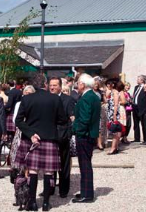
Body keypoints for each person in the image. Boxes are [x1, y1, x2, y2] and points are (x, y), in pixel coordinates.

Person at [14, 75, 66, 211]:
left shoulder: (26, 99)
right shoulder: (55, 99)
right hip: (50, 138)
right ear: (45, 84)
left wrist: (31, 134)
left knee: (32, 171)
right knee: (49, 172)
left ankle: (32, 202)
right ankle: (45, 203)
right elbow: (62, 120)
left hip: (32, 140)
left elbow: (18, 121)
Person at [72, 74, 100, 204]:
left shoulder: (86, 98)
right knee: (85, 165)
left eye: (78, 83)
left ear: (82, 84)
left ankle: (87, 194)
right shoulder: (93, 96)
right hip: (90, 135)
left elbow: (84, 119)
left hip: (85, 136)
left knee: (85, 166)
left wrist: (77, 131)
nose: (77, 85)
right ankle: (85, 191)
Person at [49, 76, 76, 198]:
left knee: (64, 163)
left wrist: (69, 134)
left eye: (54, 85)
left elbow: (72, 118)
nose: (52, 87)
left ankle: (63, 189)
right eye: (50, 85)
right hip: (49, 135)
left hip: (63, 135)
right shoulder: (47, 99)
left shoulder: (68, 99)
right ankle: (50, 188)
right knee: (49, 163)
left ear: (60, 86)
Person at [130, 75, 146, 143]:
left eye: (138, 79)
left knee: (143, 124)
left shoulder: (145, 87)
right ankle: (136, 138)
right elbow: (135, 95)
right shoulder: (136, 87)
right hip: (135, 107)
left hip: (141, 108)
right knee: (136, 123)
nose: (137, 80)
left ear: (142, 80)